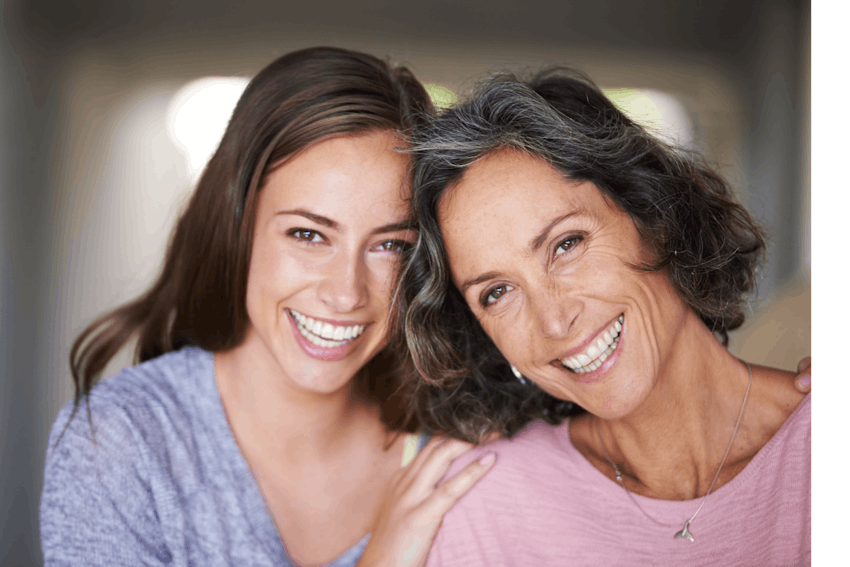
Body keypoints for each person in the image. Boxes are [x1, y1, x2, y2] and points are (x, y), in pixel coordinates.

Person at [39, 47, 496, 567]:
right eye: (308, 234)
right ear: (238, 227)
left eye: (391, 245)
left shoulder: (456, 448)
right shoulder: (121, 440)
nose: (345, 293)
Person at [398, 69, 812, 565]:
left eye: (566, 245)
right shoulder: (483, 501)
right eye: (498, 292)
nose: (554, 321)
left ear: (655, 217)